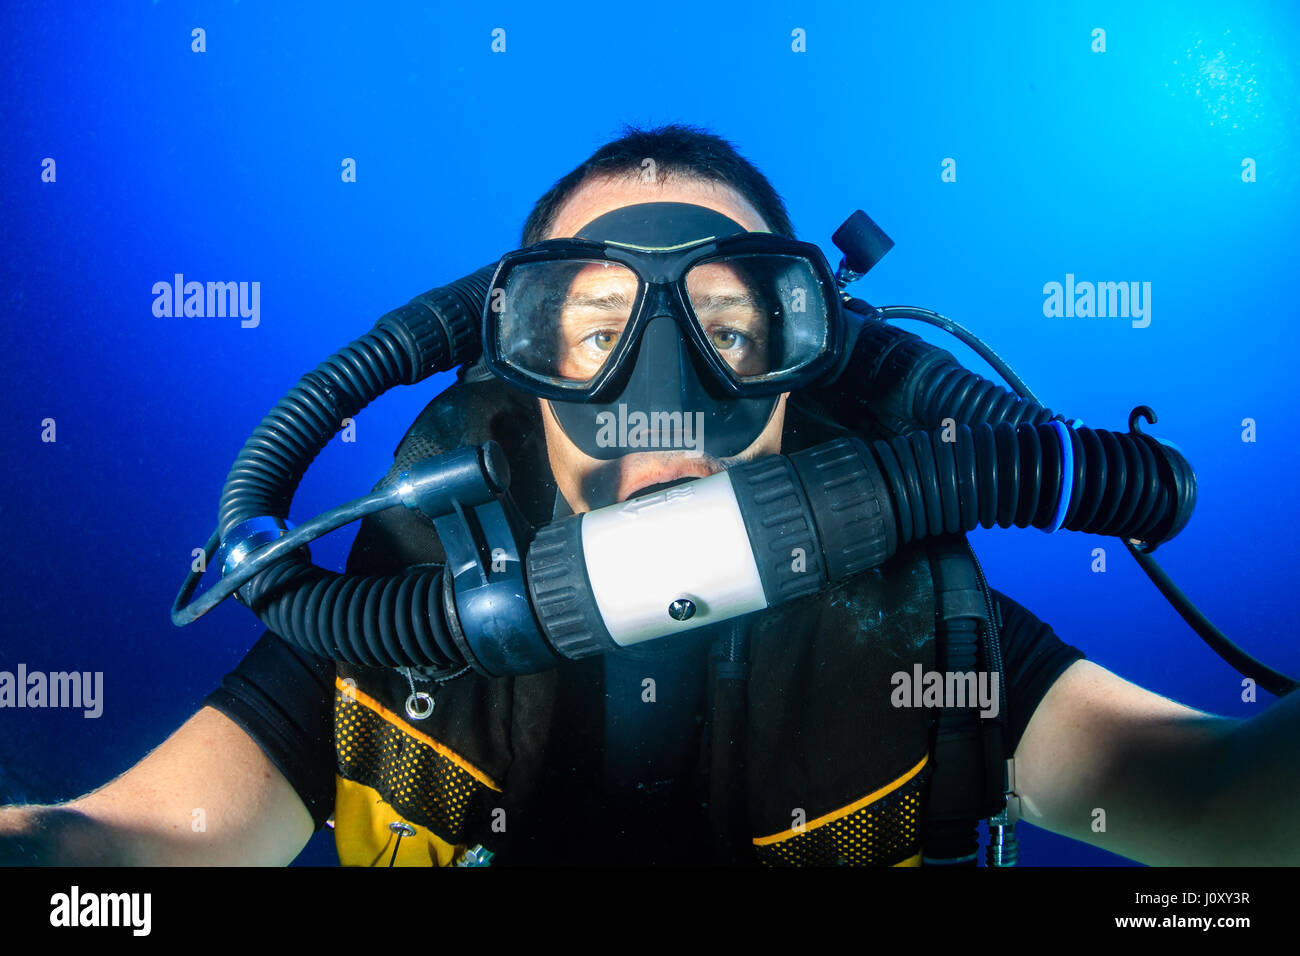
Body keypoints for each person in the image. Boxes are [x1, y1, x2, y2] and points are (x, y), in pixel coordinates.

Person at [2, 124, 1296, 867]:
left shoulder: (925, 647)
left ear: (815, 359)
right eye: (593, 328)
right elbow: (122, 852)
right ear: (515, 360)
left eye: (735, 328)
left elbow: (1217, 802)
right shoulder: (395, 622)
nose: (662, 396)